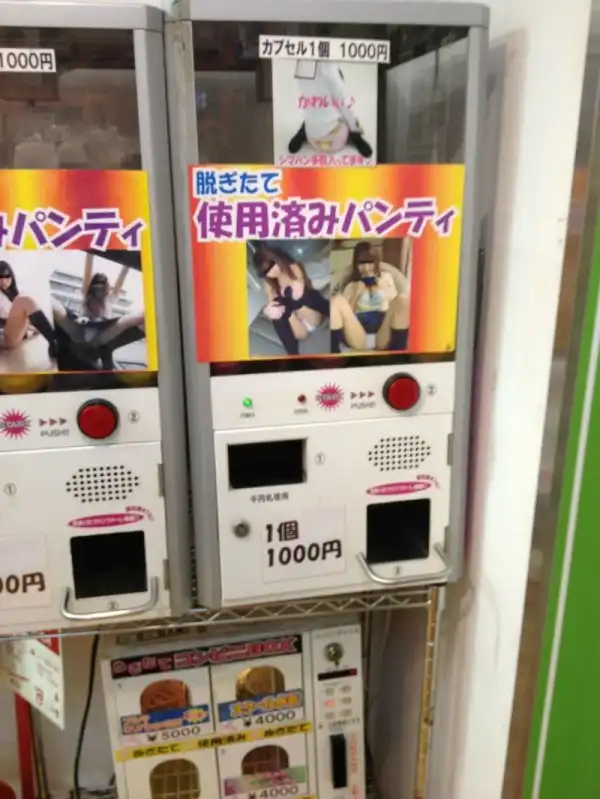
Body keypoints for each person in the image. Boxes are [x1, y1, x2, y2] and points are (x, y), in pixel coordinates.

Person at [51, 252, 145, 371]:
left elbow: (120, 281)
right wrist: (90, 254)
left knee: (107, 357)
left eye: (103, 284)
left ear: (106, 288)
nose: (100, 288)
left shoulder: (110, 298)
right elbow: (88, 272)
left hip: (104, 334)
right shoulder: (87, 294)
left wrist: (127, 264)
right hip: (85, 331)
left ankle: (105, 363)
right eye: (98, 284)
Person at [329, 242, 410, 353]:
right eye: (361, 263)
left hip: (383, 330)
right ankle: (333, 356)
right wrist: (356, 294)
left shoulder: (386, 278)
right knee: (336, 301)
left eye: (370, 263)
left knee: (403, 299)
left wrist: (384, 290)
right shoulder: (351, 285)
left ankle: (398, 354)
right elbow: (345, 317)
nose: (366, 268)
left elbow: (396, 308)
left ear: (376, 262)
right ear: (356, 264)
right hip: (359, 333)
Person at [254, 245, 329, 356]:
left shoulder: (293, 267)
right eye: (266, 271)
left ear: (275, 258)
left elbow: (301, 282)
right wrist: (268, 311)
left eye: (271, 265)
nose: (272, 272)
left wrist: (296, 288)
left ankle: (331, 311)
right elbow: (272, 305)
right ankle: (292, 354)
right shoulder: (269, 285)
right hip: (299, 329)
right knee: (279, 309)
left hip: (310, 315)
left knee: (299, 295)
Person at [288, 61, 373, 158]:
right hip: (335, 140)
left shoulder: (302, 67)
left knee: (312, 113)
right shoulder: (331, 72)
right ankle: (357, 139)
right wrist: (355, 126)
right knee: (348, 118)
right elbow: (346, 108)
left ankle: (302, 133)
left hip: (312, 138)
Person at [0, 260, 56, 358]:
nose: (3, 281)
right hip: (4, 336)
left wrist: (29, 329)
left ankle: (54, 340)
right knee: (24, 300)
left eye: (6, 277)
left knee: (25, 298)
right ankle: (54, 340)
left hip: (11, 334)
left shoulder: (13, 295)